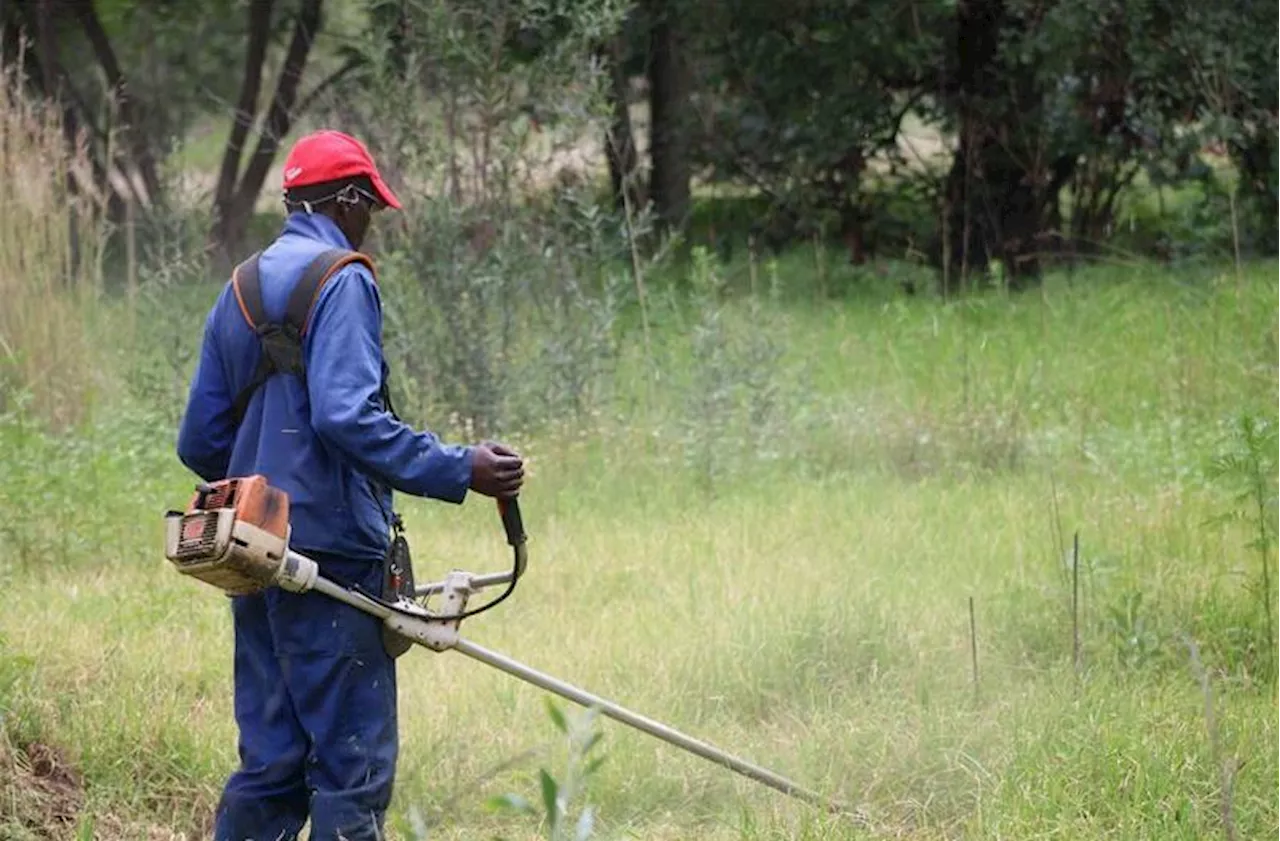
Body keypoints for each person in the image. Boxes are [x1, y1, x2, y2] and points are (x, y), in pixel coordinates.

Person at [176, 129, 525, 840]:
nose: (372, 222)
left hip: (253, 549)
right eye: (370, 207)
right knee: (351, 771)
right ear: (348, 200)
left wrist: (265, 490)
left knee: (270, 764)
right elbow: (346, 416)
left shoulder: (240, 286)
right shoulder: (345, 277)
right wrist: (464, 468)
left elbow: (199, 443)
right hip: (335, 561)